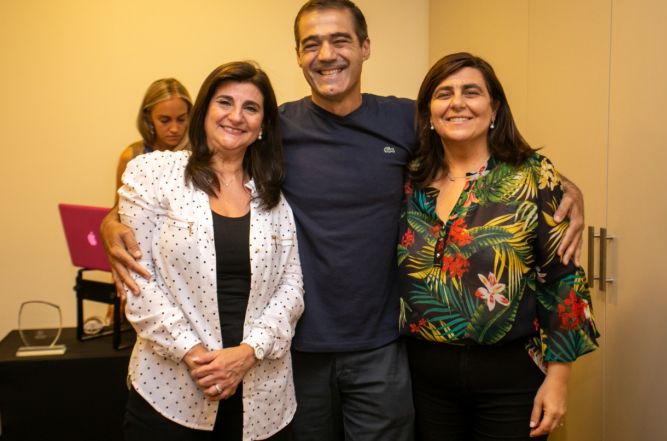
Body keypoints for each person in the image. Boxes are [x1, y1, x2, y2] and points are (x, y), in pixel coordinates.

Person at [101, 2, 586, 439]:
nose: (326, 54)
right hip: (297, 349)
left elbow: (477, 154)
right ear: (298, 55)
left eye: (340, 40)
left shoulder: (406, 121)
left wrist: (562, 187)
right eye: (312, 43)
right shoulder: (274, 128)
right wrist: (111, 220)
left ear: (365, 47)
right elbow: (205, 182)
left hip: (383, 346)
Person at [398, 52, 599, 441]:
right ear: (428, 114)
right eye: (444, 93)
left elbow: (562, 279)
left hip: (512, 378)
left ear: (494, 109)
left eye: (471, 92)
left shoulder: (533, 177)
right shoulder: (409, 179)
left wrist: (559, 378)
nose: (457, 103)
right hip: (424, 380)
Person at [118, 61, 303, 441]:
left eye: (250, 108)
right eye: (225, 102)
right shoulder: (153, 173)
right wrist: (198, 357)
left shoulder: (274, 196)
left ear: (263, 125)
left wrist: (248, 353)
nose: (236, 116)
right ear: (204, 111)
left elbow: (291, 288)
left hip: (262, 394)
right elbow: (137, 279)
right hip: (171, 390)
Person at [115, 78, 192, 191]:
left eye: (181, 119)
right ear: (149, 117)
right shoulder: (132, 157)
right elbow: (121, 202)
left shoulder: (199, 155)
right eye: (165, 120)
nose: (174, 129)